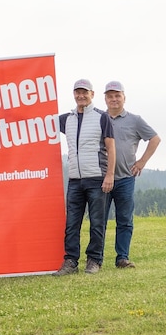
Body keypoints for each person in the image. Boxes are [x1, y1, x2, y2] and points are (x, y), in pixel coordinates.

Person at [54, 79, 116, 275]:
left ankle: (94, 260)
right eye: (77, 92)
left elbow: (111, 148)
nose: (81, 96)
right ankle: (70, 261)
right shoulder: (67, 119)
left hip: (97, 178)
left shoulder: (102, 117)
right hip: (74, 180)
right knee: (72, 222)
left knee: (97, 222)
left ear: (92, 94)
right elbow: (41, 121)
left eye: (85, 92)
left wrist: (110, 175)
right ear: (73, 94)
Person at [103, 81, 160, 268]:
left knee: (124, 220)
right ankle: (96, 259)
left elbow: (155, 138)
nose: (114, 99)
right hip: (102, 178)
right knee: (99, 220)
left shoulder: (135, 120)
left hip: (126, 178)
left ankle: (122, 258)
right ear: (105, 98)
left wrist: (142, 161)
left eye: (117, 95)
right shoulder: (99, 118)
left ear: (124, 98)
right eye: (110, 96)